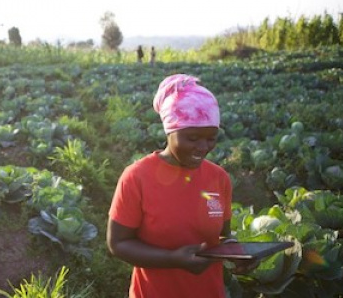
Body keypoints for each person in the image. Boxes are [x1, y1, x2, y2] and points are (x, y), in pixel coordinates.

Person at [107, 74, 257, 298]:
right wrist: (172, 259)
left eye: (211, 138)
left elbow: (223, 236)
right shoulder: (136, 177)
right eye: (193, 138)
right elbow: (118, 243)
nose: (203, 147)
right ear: (170, 131)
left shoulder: (219, 178)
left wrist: (237, 253)